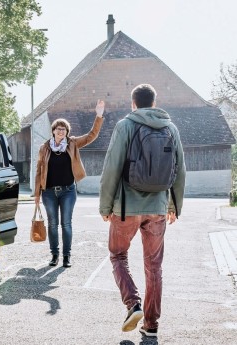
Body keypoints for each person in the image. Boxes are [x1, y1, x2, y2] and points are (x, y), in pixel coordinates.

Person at [99, 84, 186, 337]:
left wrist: (106, 206)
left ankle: (132, 304)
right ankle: (151, 325)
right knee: (154, 267)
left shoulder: (126, 125)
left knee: (117, 255)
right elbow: (179, 170)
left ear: (133, 103)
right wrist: (174, 206)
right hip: (158, 208)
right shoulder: (171, 128)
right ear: (154, 102)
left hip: (126, 207)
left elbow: (112, 168)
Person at [34, 99, 105, 268]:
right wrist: (37, 194)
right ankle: (54, 255)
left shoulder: (72, 144)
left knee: (66, 223)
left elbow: (91, 136)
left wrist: (99, 115)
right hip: (49, 192)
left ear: (67, 132)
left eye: (64, 128)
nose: (61, 131)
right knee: (52, 224)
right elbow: (39, 171)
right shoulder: (44, 148)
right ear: (53, 131)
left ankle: (66, 257)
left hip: (68, 191)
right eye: (58, 128)